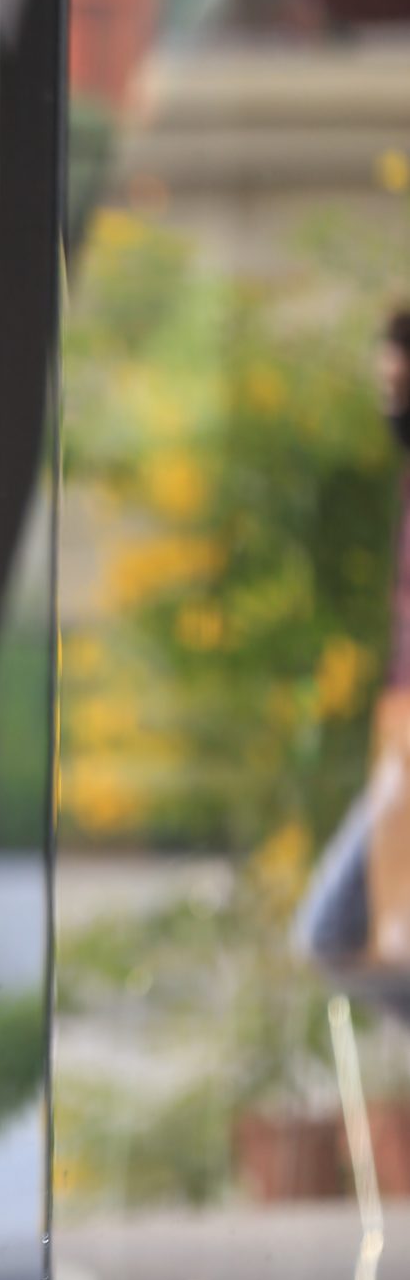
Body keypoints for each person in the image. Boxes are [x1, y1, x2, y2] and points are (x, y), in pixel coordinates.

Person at [294, 306, 410, 1017]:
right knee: (335, 934)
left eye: (397, 364)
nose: (385, 378)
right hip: (400, 736)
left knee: (329, 929)